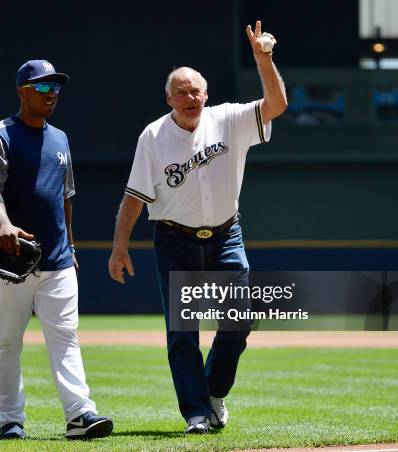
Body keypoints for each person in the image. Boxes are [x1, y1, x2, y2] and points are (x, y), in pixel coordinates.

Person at [108, 21, 287, 434]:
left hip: (226, 236)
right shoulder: (152, 136)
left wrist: (264, 60)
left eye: (196, 90)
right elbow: (134, 198)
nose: (190, 97)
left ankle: (213, 392)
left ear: (206, 94)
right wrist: (120, 249)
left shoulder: (229, 119)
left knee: (239, 320)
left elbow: (275, 105)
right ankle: (195, 414)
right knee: (183, 333)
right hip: (175, 240)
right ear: (169, 98)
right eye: (182, 91)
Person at [0, 59, 113, 440]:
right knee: (6, 342)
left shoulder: (60, 138)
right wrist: (2, 223)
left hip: (57, 260)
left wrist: (71, 244)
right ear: (23, 91)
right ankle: (10, 420)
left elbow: (65, 197)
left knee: (66, 336)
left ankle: (80, 414)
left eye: (56, 87)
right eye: (44, 87)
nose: (52, 94)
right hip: (11, 260)